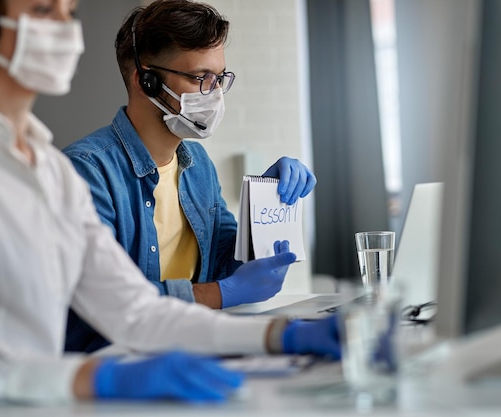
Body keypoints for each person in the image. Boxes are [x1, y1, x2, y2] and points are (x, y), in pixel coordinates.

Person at [0, 0, 338, 404]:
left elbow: (134, 309)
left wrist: (283, 335)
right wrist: (101, 379)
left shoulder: (49, 169)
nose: (67, 30)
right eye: (45, 10)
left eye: (70, 12)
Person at [62, 0, 317, 353]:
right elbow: (106, 303)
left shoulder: (196, 162)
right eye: (200, 78)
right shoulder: (85, 171)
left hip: (189, 346)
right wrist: (222, 294)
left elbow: (228, 259)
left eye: (220, 78)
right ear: (145, 80)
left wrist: (263, 204)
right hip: (113, 363)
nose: (213, 94)